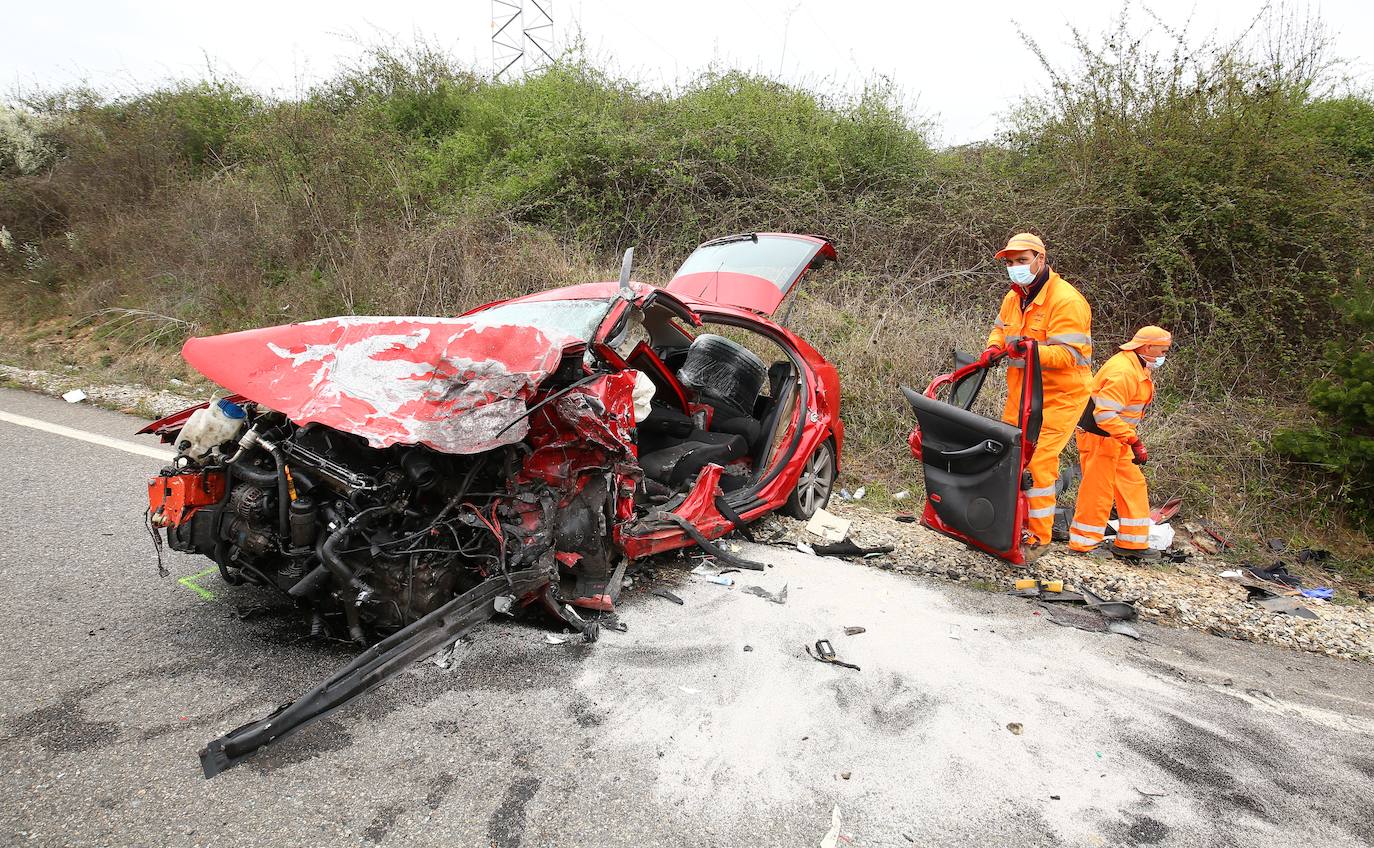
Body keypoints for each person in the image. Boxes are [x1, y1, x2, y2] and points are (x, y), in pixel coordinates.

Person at [976, 233, 1093, 563]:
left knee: (1039, 463)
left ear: (1041, 259)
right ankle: (1005, 526)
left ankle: (1036, 539)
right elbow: (1000, 329)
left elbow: (1070, 355)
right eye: (1010, 263)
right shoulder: (1014, 298)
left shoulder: (1066, 300)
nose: (1015, 268)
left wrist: (1031, 350)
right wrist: (992, 347)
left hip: (1061, 395)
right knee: (1009, 456)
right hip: (1023, 391)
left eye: (1022, 260)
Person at [1067, 326, 1173, 560]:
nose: (1164, 355)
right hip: (1100, 437)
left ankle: (1131, 543)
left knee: (1132, 484)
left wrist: (1128, 438)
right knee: (1098, 490)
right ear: (1147, 347)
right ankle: (1083, 544)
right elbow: (1104, 416)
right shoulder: (1124, 371)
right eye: (1162, 350)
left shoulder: (1137, 366)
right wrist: (1134, 440)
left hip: (1116, 438)